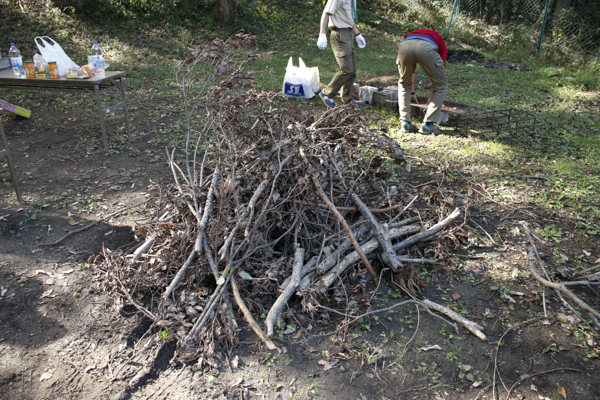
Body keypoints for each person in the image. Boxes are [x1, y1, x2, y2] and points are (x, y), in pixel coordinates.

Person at [316, 0, 366, 108]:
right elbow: (326, 13)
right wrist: (322, 33)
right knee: (346, 69)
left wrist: (357, 34)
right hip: (339, 34)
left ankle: (347, 99)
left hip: (348, 34)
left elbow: (349, 20)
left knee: (352, 71)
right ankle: (327, 93)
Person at [396, 29, 448, 134]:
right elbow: (437, 81)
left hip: (405, 45)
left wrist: (412, 93)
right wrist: (431, 98)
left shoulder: (411, 34)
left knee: (404, 83)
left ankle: (405, 122)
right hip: (426, 48)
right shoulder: (439, 40)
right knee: (441, 84)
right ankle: (429, 124)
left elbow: (411, 73)